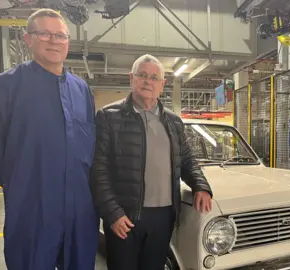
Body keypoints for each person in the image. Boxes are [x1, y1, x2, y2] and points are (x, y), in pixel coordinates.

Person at [0, 9, 98, 270]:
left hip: (79, 212)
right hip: (31, 210)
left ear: (68, 42)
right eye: (44, 33)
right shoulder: (4, 87)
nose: (53, 41)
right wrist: (19, 180)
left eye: (60, 35)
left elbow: (90, 146)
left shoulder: (82, 90)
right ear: (28, 39)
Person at [90, 54, 213, 270]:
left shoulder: (173, 122)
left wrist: (200, 186)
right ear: (132, 78)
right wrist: (112, 213)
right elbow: (98, 170)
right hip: (124, 217)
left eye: (154, 78)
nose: (148, 81)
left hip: (163, 218)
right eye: (143, 75)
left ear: (162, 85)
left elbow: (187, 160)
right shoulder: (109, 117)